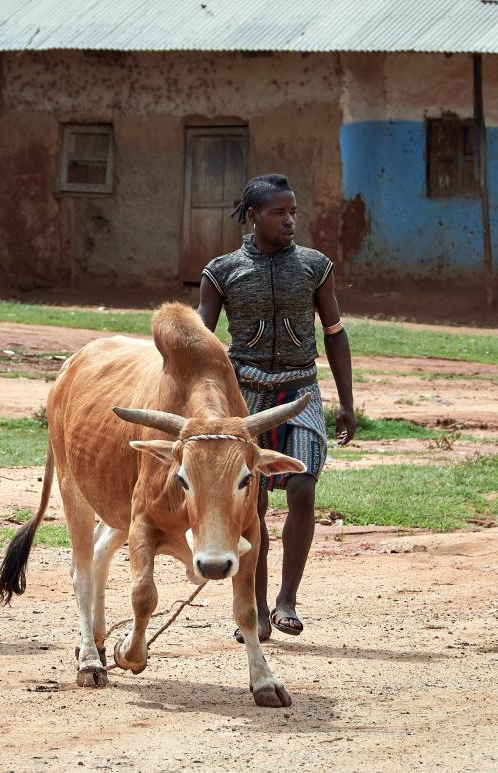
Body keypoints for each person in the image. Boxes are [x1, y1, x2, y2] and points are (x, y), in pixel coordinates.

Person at [197, 173, 356, 641]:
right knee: (254, 502)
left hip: (300, 390)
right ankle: (258, 606)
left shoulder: (314, 266)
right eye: (278, 212)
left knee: (303, 485)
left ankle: (288, 598)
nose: (290, 221)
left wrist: (346, 402)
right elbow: (202, 342)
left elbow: (334, 333)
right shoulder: (221, 272)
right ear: (253, 216)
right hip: (244, 395)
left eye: (293, 212)